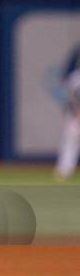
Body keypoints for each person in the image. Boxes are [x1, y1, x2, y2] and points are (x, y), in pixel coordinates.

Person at [55, 46, 80, 180]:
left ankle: (64, 171)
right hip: (76, 115)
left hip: (75, 115)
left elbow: (70, 99)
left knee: (70, 143)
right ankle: (64, 171)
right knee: (70, 142)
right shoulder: (75, 78)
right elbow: (72, 98)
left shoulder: (74, 78)